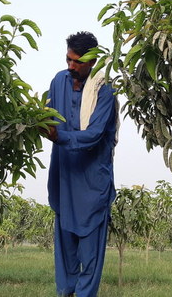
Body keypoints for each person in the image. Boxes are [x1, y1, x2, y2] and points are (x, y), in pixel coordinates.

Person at [43, 31, 118, 297]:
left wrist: (59, 136)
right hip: (64, 179)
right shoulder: (58, 81)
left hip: (91, 183)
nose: (71, 66)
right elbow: (48, 116)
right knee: (64, 254)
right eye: (68, 60)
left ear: (92, 61)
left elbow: (95, 134)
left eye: (77, 62)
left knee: (91, 257)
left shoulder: (104, 89)